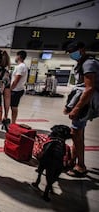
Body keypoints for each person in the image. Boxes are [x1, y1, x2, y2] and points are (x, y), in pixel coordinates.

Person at [64, 41, 99, 177]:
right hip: (85, 102)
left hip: (86, 103)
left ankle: (81, 166)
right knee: (78, 133)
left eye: (74, 51)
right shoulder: (85, 63)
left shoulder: (88, 64)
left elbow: (89, 89)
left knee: (76, 133)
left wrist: (76, 108)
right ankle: (73, 161)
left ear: (82, 49)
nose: (72, 54)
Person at [9, 51, 28, 124]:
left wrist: (10, 89)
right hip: (17, 89)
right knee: (13, 107)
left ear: (19, 56)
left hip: (16, 90)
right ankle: (12, 122)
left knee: (14, 107)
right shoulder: (22, 66)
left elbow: (17, 79)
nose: (15, 57)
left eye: (16, 56)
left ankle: (13, 122)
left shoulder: (21, 66)